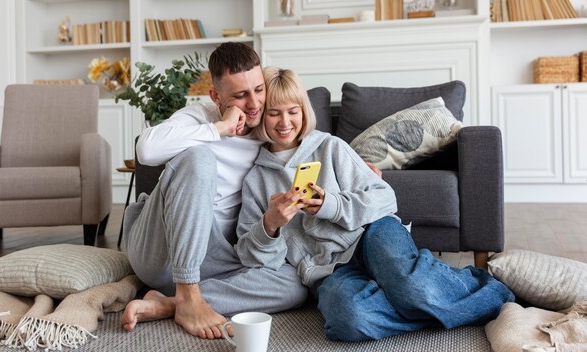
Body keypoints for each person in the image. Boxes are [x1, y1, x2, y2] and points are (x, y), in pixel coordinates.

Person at [235, 67, 515, 341]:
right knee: (350, 319)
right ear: (261, 116)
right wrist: (270, 225)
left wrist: (330, 205)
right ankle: (428, 293)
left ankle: (493, 291)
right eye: (274, 113)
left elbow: (384, 197)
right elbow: (252, 257)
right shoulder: (255, 180)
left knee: (415, 289)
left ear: (304, 112)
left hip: (371, 234)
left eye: (293, 111)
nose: (285, 122)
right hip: (327, 268)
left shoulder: (330, 147)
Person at [120, 43, 308, 340]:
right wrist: (218, 129)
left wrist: (361, 161)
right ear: (216, 96)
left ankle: (172, 303)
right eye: (240, 95)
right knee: (198, 157)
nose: (255, 103)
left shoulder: (268, 126)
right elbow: (146, 149)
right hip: (161, 248)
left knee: (294, 283)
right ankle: (187, 291)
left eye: (259, 89)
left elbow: (309, 138)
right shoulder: (200, 117)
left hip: (217, 255)